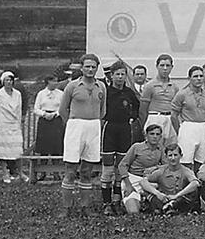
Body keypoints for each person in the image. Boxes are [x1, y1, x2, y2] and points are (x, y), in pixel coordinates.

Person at [59, 54, 107, 217]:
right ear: (81, 67)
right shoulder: (72, 86)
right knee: (71, 170)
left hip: (93, 127)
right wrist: (72, 124)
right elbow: (62, 110)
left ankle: (85, 207)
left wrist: (94, 124)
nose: (90, 69)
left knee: (87, 170)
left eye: (93, 66)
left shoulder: (101, 87)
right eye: (87, 66)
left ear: (97, 68)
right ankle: (66, 207)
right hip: (75, 126)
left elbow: (103, 111)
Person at [99, 62, 140, 211]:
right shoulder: (106, 91)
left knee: (120, 168)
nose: (120, 77)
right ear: (112, 75)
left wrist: (132, 117)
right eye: (117, 74)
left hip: (124, 129)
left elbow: (136, 106)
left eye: (123, 74)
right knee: (108, 169)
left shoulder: (129, 92)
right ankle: (106, 203)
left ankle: (117, 201)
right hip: (110, 128)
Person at [117, 123, 166, 215]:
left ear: (160, 136)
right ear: (146, 135)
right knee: (133, 212)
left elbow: (167, 166)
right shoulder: (137, 147)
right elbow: (122, 165)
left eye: (157, 134)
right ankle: (132, 200)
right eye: (152, 134)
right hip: (133, 179)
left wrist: (155, 167)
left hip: (149, 182)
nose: (155, 137)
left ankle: (148, 200)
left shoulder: (161, 149)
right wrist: (128, 185)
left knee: (160, 209)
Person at [170, 65, 205, 171]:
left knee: (202, 158)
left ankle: (200, 183)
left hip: (203, 127)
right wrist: (180, 129)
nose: (199, 79)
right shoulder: (182, 94)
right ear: (189, 78)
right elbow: (174, 115)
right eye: (195, 76)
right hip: (188, 126)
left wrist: (204, 124)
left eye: (201, 76)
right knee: (186, 159)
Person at [138, 143, 200, 214]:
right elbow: (143, 181)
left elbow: (195, 183)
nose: (173, 158)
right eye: (170, 155)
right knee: (146, 191)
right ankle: (164, 208)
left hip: (180, 198)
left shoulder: (186, 171)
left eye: (175, 155)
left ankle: (168, 208)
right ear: (166, 157)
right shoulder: (161, 171)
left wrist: (176, 195)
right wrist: (158, 193)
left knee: (191, 193)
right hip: (164, 199)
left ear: (181, 156)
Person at [0, 70, 26, 183]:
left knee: (17, 149)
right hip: (2, 125)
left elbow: (19, 109)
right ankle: (5, 173)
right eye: (6, 80)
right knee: (3, 150)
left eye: (11, 80)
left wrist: (18, 122)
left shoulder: (17, 94)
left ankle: (20, 172)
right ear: (3, 81)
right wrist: (2, 119)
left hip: (14, 124)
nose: (9, 82)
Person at [138, 54, 177, 144]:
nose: (165, 68)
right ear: (157, 66)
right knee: (155, 147)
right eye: (162, 65)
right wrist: (144, 126)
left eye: (168, 65)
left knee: (170, 147)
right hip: (155, 117)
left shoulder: (174, 86)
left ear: (172, 67)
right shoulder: (149, 86)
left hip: (169, 119)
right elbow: (143, 109)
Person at [32, 73, 65, 177]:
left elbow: (64, 107)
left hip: (56, 121)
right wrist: (44, 114)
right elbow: (36, 109)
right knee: (44, 147)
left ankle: (56, 172)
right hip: (44, 121)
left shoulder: (61, 94)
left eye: (56, 81)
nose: (56, 83)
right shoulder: (41, 94)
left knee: (56, 146)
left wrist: (55, 114)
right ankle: (42, 172)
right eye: (53, 81)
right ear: (48, 82)